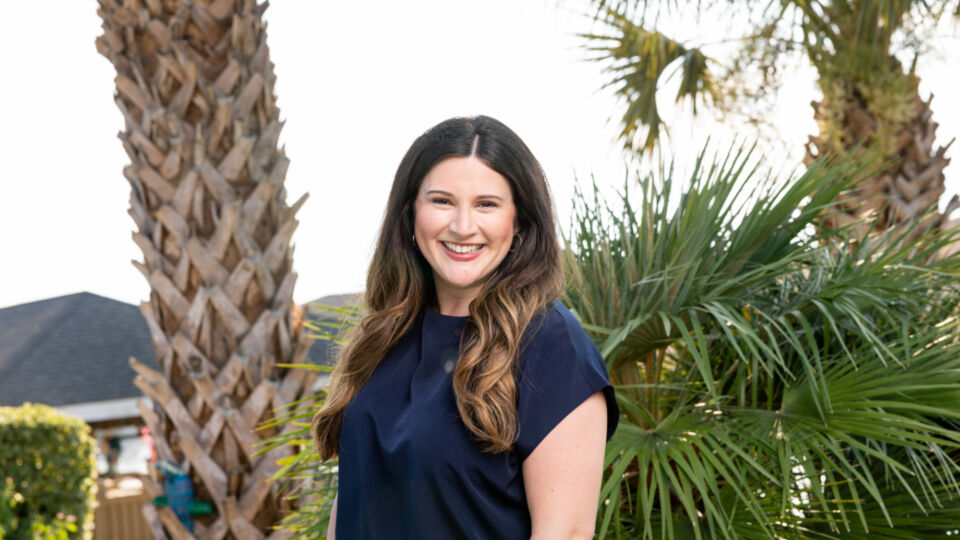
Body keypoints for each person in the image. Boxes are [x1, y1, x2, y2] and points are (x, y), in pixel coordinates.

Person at [311, 115, 618, 539]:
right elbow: (352, 506)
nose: (462, 226)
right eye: (442, 201)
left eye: (486, 205)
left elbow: (564, 533)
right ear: (410, 214)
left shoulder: (551, 346)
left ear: (519, 223)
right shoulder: (385, 335)